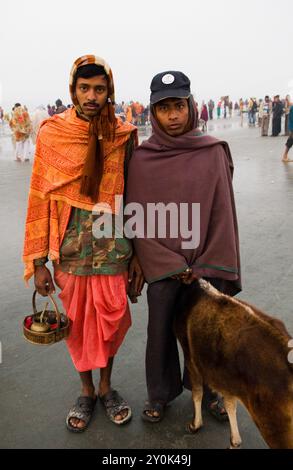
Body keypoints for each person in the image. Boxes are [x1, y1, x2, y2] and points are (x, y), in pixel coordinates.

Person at [23, 55, 143, 432]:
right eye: (84, 88)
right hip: (70, 249)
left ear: (110, 91)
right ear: (72, 90)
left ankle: (107, 386)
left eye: (100, 89)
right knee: (75, 325)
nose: (92, 96)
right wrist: (39, 260)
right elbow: (40, 197)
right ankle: (86, 390)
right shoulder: (51, 133)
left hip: (113, 246)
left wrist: (139, 252)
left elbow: (134, 193)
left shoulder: (123, 134)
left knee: (111, 320)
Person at [126, 71, 241, 423]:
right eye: (163, 108)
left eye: (178, 105)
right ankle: (159, 394)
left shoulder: (213, 152)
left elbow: (223, 212)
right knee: (159, 328)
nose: (172, 115)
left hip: (207, 259)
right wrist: (168, 262)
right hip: (163, 263)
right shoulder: (143, 159)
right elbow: (138, 218)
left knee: (209, 330)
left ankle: (208, 390)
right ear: (153, 113)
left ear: (191, 106)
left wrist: (205, 261)